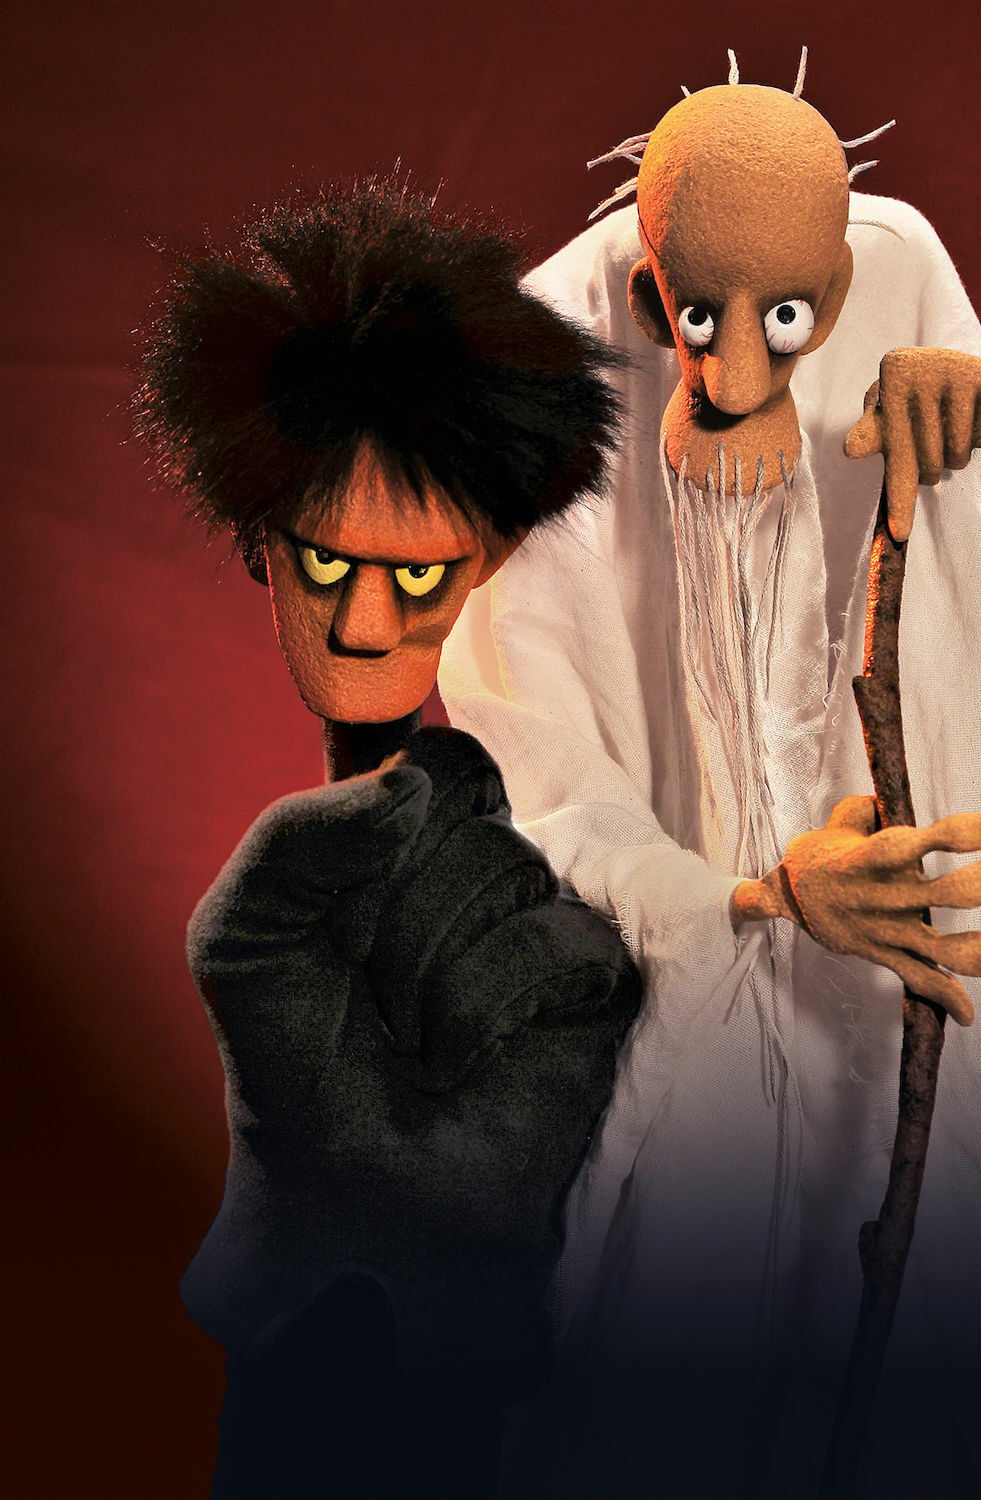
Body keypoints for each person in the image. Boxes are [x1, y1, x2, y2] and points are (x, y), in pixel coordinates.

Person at [439, 69, 981, 1498]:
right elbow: (526, 768)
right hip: (684, 1077)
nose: (733, 379)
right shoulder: (560, 356)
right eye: (695, 322)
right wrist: (751, 897)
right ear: (650, 296)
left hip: (907, 1076)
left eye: (786, 322)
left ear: (840, 296)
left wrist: (973, 476)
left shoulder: (903, 279)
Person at [133, 175, 641, 1499]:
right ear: (259, 544)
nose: (365, 627)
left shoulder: (545, 845)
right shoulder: (297, 895)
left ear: (492, 559)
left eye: (416, 575)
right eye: (324, 564)